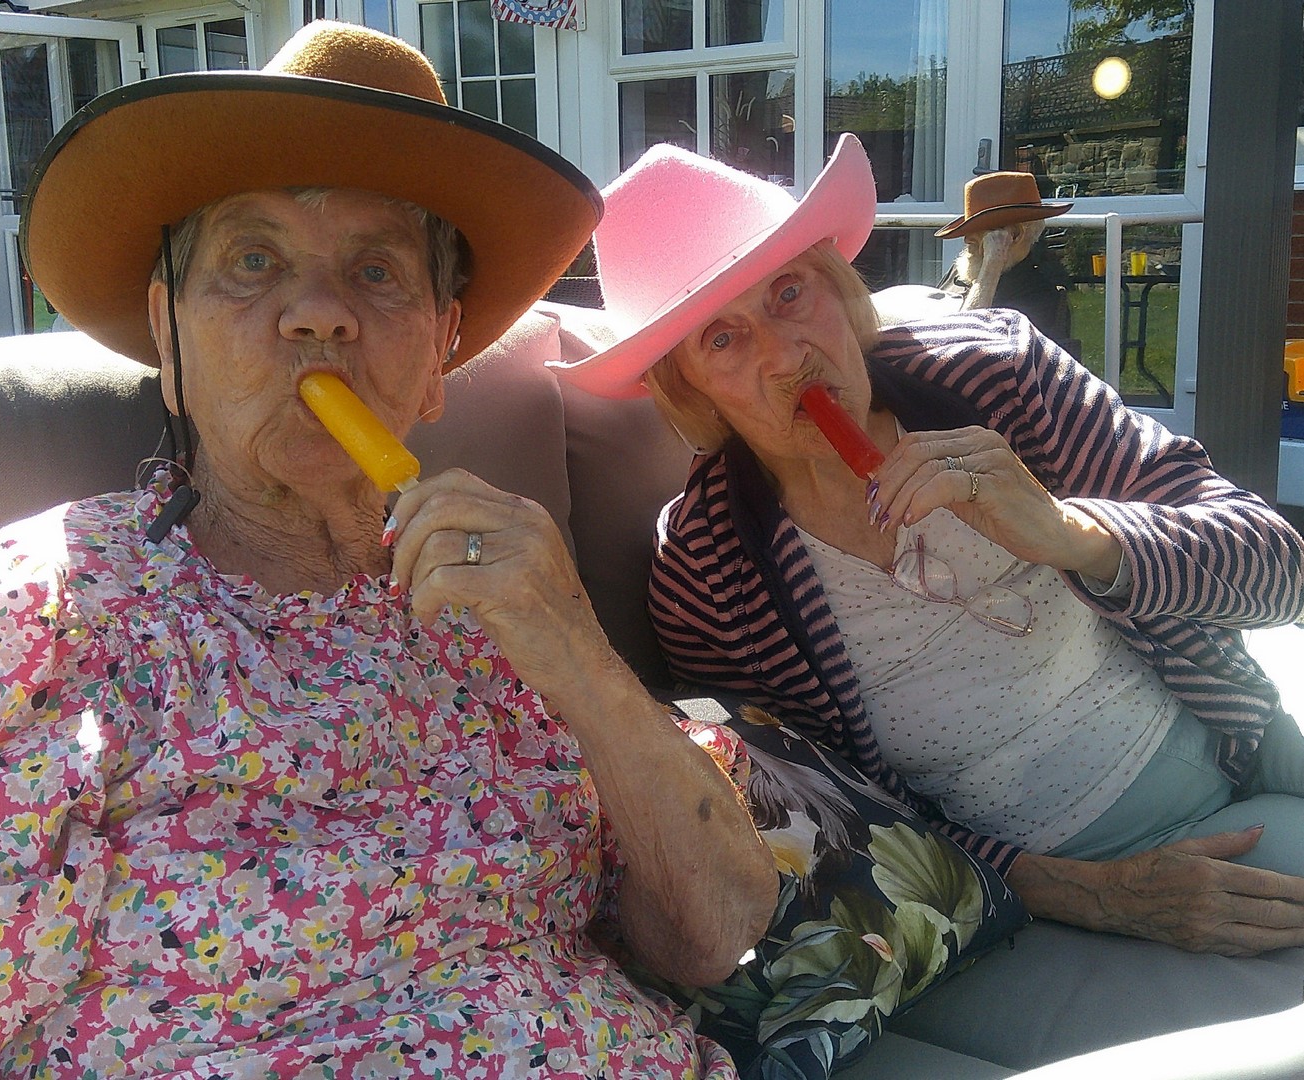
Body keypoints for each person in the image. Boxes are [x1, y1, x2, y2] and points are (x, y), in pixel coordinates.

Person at [0, 23, 778, 1080]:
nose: (320, 315)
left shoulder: (505, 591)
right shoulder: (42, 616)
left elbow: (710, 938)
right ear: (168, 336)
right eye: (253, 261)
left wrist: (580, 659)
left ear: (440, 353)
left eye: (375, 271)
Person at [549, 135, 1304, 957]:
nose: (786, 355)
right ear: (686, 387)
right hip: (1060, 876)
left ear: (838, 287)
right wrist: (1090, 895)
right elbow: (833, 814)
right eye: (721, 340)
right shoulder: (709, 572)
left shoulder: (998, 378)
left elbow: (1278, 572)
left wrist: (1074, 535)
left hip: (1234, 733)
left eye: (789, 292)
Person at [935, 170, 1079, 356]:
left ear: (1015, 235)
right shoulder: (960, 270)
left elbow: (958, 352)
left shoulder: (1042, 299)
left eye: (979, 228)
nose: (967, 239)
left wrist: (992, 264)